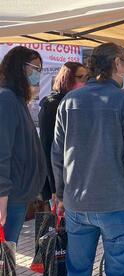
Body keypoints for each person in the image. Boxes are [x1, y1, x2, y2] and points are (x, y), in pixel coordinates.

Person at [52, 42, 124, 276]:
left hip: (77, 203)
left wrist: (60, 194)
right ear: (117, 64)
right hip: (116, 205)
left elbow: (58, 156)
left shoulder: (69, 101)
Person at [0, 46, 47, 276]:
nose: (37, 74)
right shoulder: (6, 99)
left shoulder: (15, 99)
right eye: (35, 68)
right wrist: (2, 196)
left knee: (7, 256)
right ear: (20, 67)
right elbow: (2, 150)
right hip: (11, 197)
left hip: (17, 195)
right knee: (5, 257)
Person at [39, 62, 88, 204]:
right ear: (68, 78)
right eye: (81, 77)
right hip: (58, 179)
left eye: (87, 77)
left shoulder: (78, 101)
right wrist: (54, 188)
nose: (85, 81)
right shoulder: (53, 104)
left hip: (75, 178)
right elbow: (48, 146)